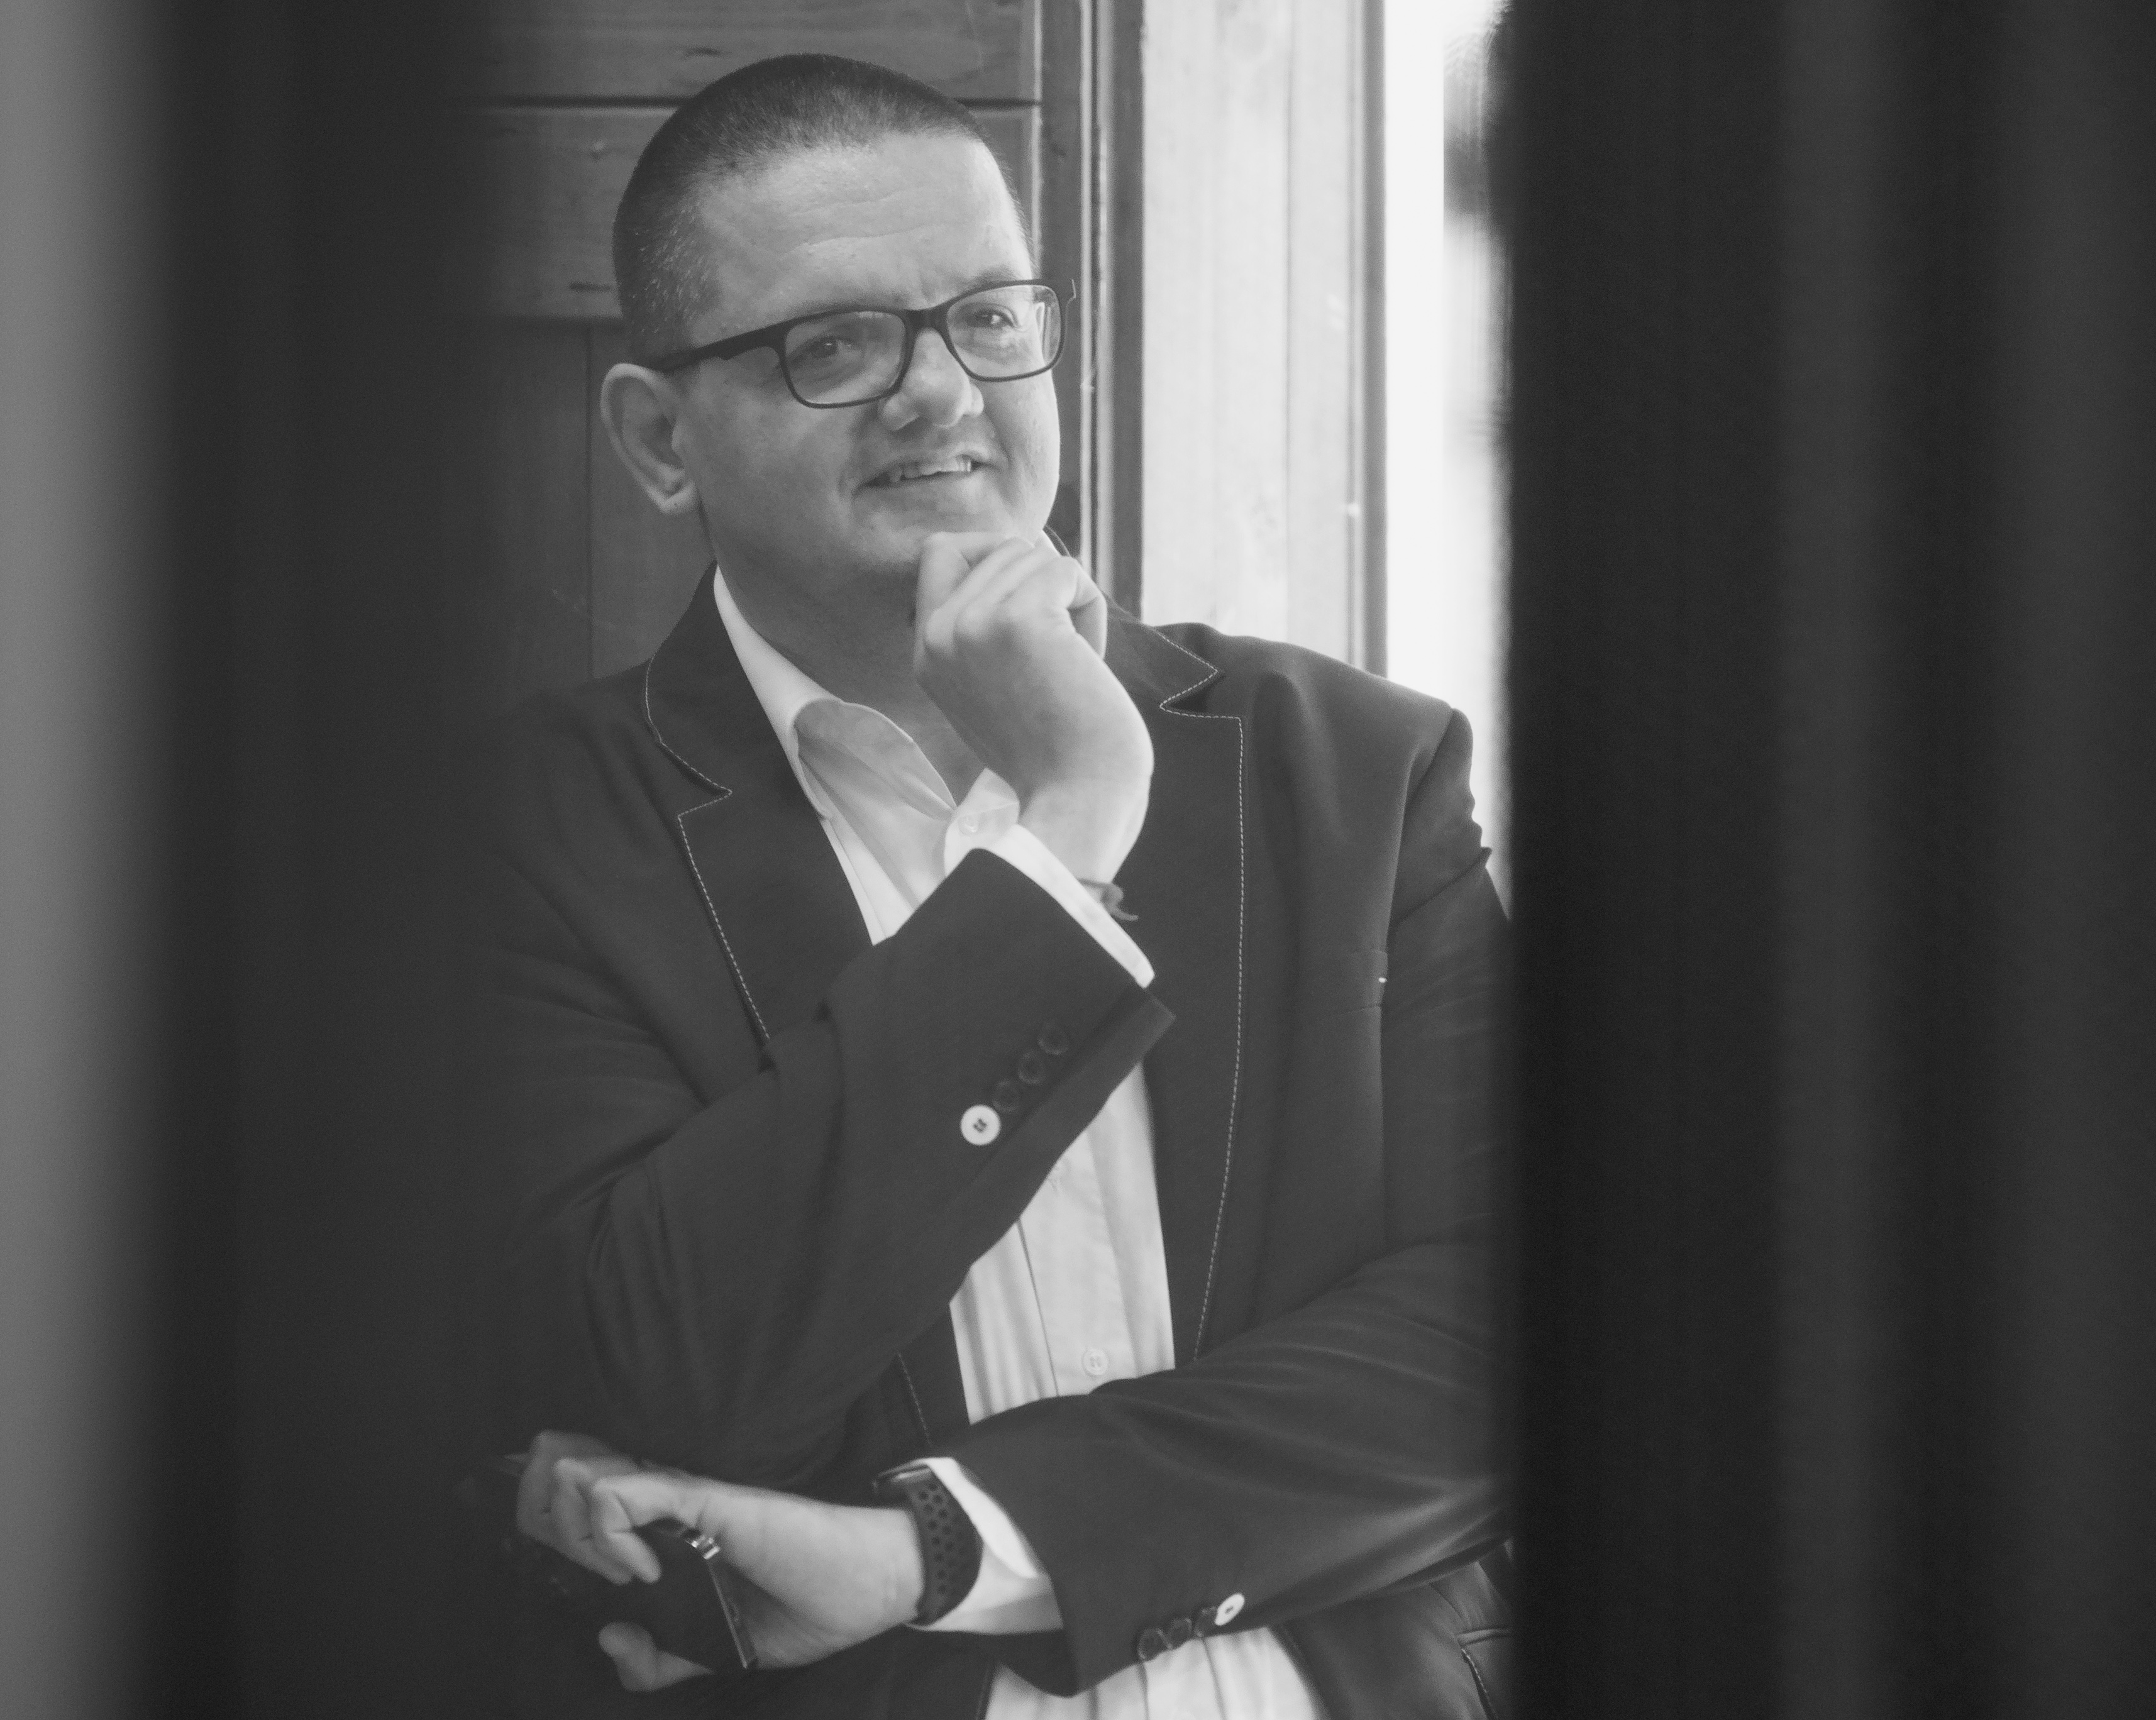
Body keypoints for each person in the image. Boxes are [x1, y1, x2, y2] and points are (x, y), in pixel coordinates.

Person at [480, 53, 1510, 1719]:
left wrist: (942, 1548)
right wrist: (1064, 839)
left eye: (988, 318)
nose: (942, 393)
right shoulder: (518, 840)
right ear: (661, 441)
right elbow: (669, 1375)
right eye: (835, 345)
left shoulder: (1358, 771)